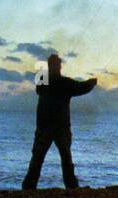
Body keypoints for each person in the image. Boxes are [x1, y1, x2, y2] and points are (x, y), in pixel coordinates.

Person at [23, 54, 96, 190]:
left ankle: (29, 187)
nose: (58, 67)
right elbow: (81, 87)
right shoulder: (63, 83)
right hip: (60, 126)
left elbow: (39, 85)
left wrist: (44, 68)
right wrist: (92, 83)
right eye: (57, 65)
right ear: (59, 66)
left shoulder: (44, 81)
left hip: (44, 125)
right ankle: (71, 186)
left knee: (38, 158)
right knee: (65, 159)